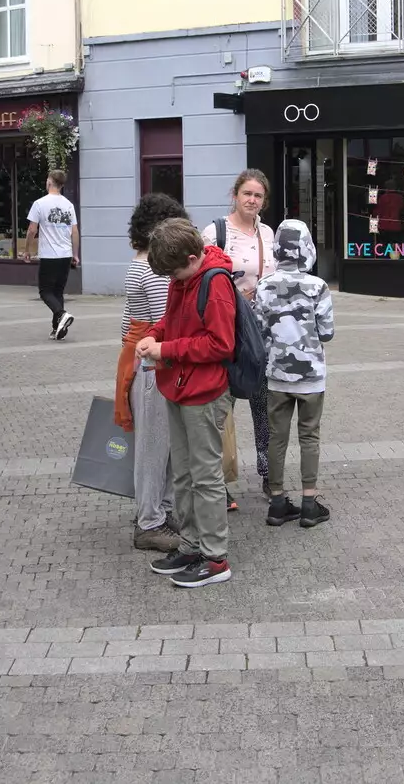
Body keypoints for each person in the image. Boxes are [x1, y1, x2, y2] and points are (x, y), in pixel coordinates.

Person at [136, 218, 238, 588]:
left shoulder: (215, 284)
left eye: (176, 273)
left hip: (204, 392)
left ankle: (215, 558)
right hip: (178, 386)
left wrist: (166, 349)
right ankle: (192, 545)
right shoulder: (184, 278)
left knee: (206, 476)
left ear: (194, 257)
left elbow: (220, 344)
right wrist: (153, 335)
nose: (172, 281)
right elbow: (171, 320)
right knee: (182, 472)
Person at [114, 193, 190, 553]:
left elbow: (128, 323)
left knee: (159, 445)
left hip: (139, 360)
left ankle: (159, 512)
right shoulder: (152, 268)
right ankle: (150, 521)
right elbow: (166, 321)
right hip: (153, 365)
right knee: (155, 448)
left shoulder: (138, 261)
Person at [202, 170, 276, 509]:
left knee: (265, 407)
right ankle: (222, 482)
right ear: (235, 194)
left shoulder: (268, 233)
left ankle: (268, 474)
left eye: (258, 196)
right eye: (247, 193)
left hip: (260, 335)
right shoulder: (215, 232)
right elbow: (203, 280)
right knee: (222, 410)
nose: (252, 200)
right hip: (228, 334)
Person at [255, 220, 335, 529]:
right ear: (307, 248)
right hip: (311, 376)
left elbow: (260, 333)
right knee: (309, 436)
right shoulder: (318, 286)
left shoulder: (264, 285)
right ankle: (309, 504)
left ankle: (276, 503)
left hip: (276, 375)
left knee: (277, 438)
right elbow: (327, 334)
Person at [22, 170, 80, 340]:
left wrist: (27, 250)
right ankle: (57, 329)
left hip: (49, 255)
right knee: (58, 291)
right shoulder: (69, 205)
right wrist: (75, 254)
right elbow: (74, 231)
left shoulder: (40, 204)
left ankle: (61, 314)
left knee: (45, 291)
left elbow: (32, 229)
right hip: (65, 254)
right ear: (62, 185)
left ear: (49, 182)